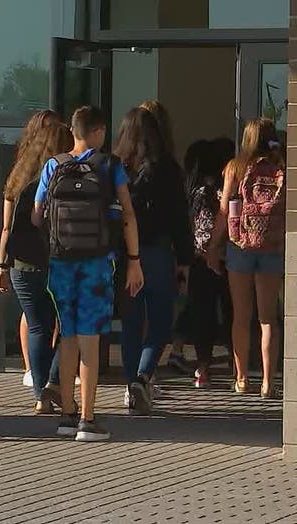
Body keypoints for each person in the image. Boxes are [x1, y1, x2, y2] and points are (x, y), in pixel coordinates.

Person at [33, 106, 144, 441]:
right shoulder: (110, 166)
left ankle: (66, 415)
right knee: (91, 340)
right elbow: (128, 214)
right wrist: (134, 260)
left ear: (73, 132)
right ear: (99, 132)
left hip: (61, 261)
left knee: (67, 337)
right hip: (97, 262)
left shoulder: (53, 165)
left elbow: (37, 214)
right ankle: (88, 418)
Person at [114, 107, 192, 415]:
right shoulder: (167, 169)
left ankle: (131, 382)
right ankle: (143, 376)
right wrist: (184, 258)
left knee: (132, 323)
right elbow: (179, 218)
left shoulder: (116, 167)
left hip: (125, 254)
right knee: (160, 321)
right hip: (158, 252)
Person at [0, 111, 73, 414]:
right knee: (67, 326)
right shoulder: (64, 177)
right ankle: (54, 381)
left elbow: (6, 228)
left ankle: (41, 393)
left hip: (21, 264)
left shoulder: (17, 177)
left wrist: (2, 265)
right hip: (57, 262)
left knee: (38, 327)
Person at [207, 118, 285, 399]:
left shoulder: (235, 167)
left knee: (241, 316)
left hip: (240, 245)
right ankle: (268, 382)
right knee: (268, 319)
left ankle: (241, 379)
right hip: (272, 246)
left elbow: (225, 210)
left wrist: (214, 245)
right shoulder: (282, 167)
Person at [176, 138, 235, 388]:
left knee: (203, 315)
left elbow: (191, 226)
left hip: (200, 259)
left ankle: (203, 368)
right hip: (229, 258)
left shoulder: (196, 191)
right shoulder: (229, 190)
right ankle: (237, 365)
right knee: (233, 313)